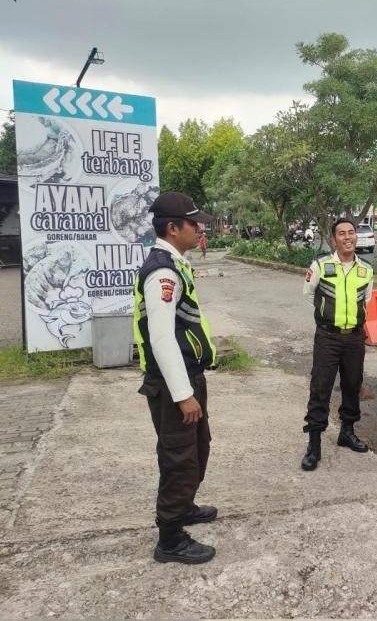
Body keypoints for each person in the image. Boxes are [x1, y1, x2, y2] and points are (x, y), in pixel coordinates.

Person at [133, 191, 219, 564]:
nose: (199, 228)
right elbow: (162, 336)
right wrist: (183, 393)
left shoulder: (175, 263)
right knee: (179, 457)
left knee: (197, 448)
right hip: (173, 385)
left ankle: (183, 506)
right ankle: (170, 539)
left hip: (187, 377)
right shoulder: (163, 272)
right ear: (173, 227)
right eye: (193, 223)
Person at [301, 218, 374, 471]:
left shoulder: (366, 269)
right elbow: (309, 294)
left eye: (351, 233)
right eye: (342, 234)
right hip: (328, 337)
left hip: (354, 338)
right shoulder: (321, 265)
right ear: (334, 240)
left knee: (352, 384)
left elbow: (367, 299)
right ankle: (314, 443)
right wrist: (328, 315)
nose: (347, 237)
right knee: (320, 386)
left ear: (356, 237)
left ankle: (347, 432)